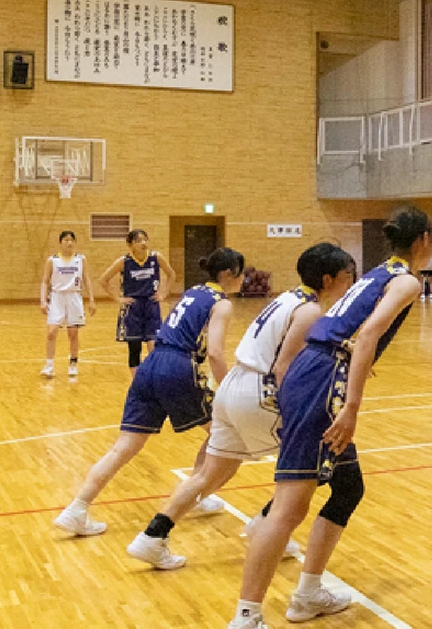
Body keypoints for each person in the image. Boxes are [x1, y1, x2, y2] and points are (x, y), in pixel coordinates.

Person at [227, 209, 432, 629]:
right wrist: (352, 406)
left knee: (347, 486)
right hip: (325, 379)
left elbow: (345, 328)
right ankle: (246, 616)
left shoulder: (380, 271)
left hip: (314, 365)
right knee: (288, 508)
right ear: (425, 240)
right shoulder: (407, 280)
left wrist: (350, 364)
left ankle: (307, 594)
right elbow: (368, 334)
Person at [126, 243, 355, 571]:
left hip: (233, 387)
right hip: (258, 391)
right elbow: (283, 367)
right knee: (318, 458)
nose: (350, 284)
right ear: (329, 279)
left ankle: (152, 535)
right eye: (348, 277)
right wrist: (298, 411)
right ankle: (265, 522)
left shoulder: (288, 297)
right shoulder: (309, 311)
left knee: (210, 474)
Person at [53, 248, 245, 537]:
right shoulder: (222, 303)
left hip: (151, 363)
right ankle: (194, 495)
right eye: (243, 272)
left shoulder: (194, 291)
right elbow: (216, 353)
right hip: (178, 366)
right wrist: (231, 389)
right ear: (230, 274)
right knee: (223, 431)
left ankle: (77, 509)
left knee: (123, 446)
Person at [98, 229, 176, 376]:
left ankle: (153, 380)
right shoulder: (124, 261)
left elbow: (172, 274)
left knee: (154, 346)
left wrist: (164, 293)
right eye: (139, 240)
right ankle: (137, 384)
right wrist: (118, 298)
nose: (143, 243)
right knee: (134, 349)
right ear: (130, 244)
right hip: (133, 308)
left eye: (145, 239)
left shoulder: (156, 257)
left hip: (151, 305)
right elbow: (103, 280)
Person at [40, 231, 97, 379]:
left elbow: (86, 279)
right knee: (51, 332)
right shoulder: (52, 260)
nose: (69, 243)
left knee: (73, 333)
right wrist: (43, 300)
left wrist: (91, 300)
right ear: (61, 243)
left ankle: (73, 363)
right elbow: (45, 281)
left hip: (74, 297)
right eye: (66, 240)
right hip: (57, 297)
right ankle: (49, 365)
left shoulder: (80, 259)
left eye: (71, 240)